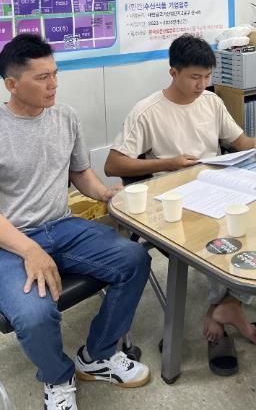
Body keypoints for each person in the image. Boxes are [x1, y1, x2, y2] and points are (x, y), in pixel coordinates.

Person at [104, 34, 256, 375]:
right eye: (195, 77)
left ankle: (224, 307)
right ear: (173, 73)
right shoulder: (147, 111)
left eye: (207, 77)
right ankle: (223, 312)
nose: (202, 85)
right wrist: (168, 163)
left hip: (215, 186)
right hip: (173, 198)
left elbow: (238, 141)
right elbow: (113, 165)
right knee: (218, 238)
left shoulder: (211, 102)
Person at [0, 34, 151, 410]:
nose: (53, 84)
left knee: (135, 259)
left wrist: (105, 194)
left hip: (62, 226)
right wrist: (30, 250)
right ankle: (57, 377)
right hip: (11, 240)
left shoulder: (65, 116)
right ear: (12, 84)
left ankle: (97, 355)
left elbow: (79, 172)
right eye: (42, 77)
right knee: (34, 315)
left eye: (55, 74)